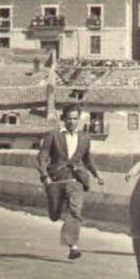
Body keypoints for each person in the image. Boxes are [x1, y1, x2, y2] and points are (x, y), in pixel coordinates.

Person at [37, 105, 104, 260]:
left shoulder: (85, 137)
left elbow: (87, 160)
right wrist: (44, 175)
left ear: (78, 120)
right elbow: (42, 157)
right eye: (69, 118)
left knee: (75, 209)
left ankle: (72, 246)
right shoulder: (53, 135)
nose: (72, 122)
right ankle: (56, 212)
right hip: (56, 179)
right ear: (63, 119)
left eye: (75, 119)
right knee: (54, 214)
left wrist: (96, 174)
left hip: (76, 179)